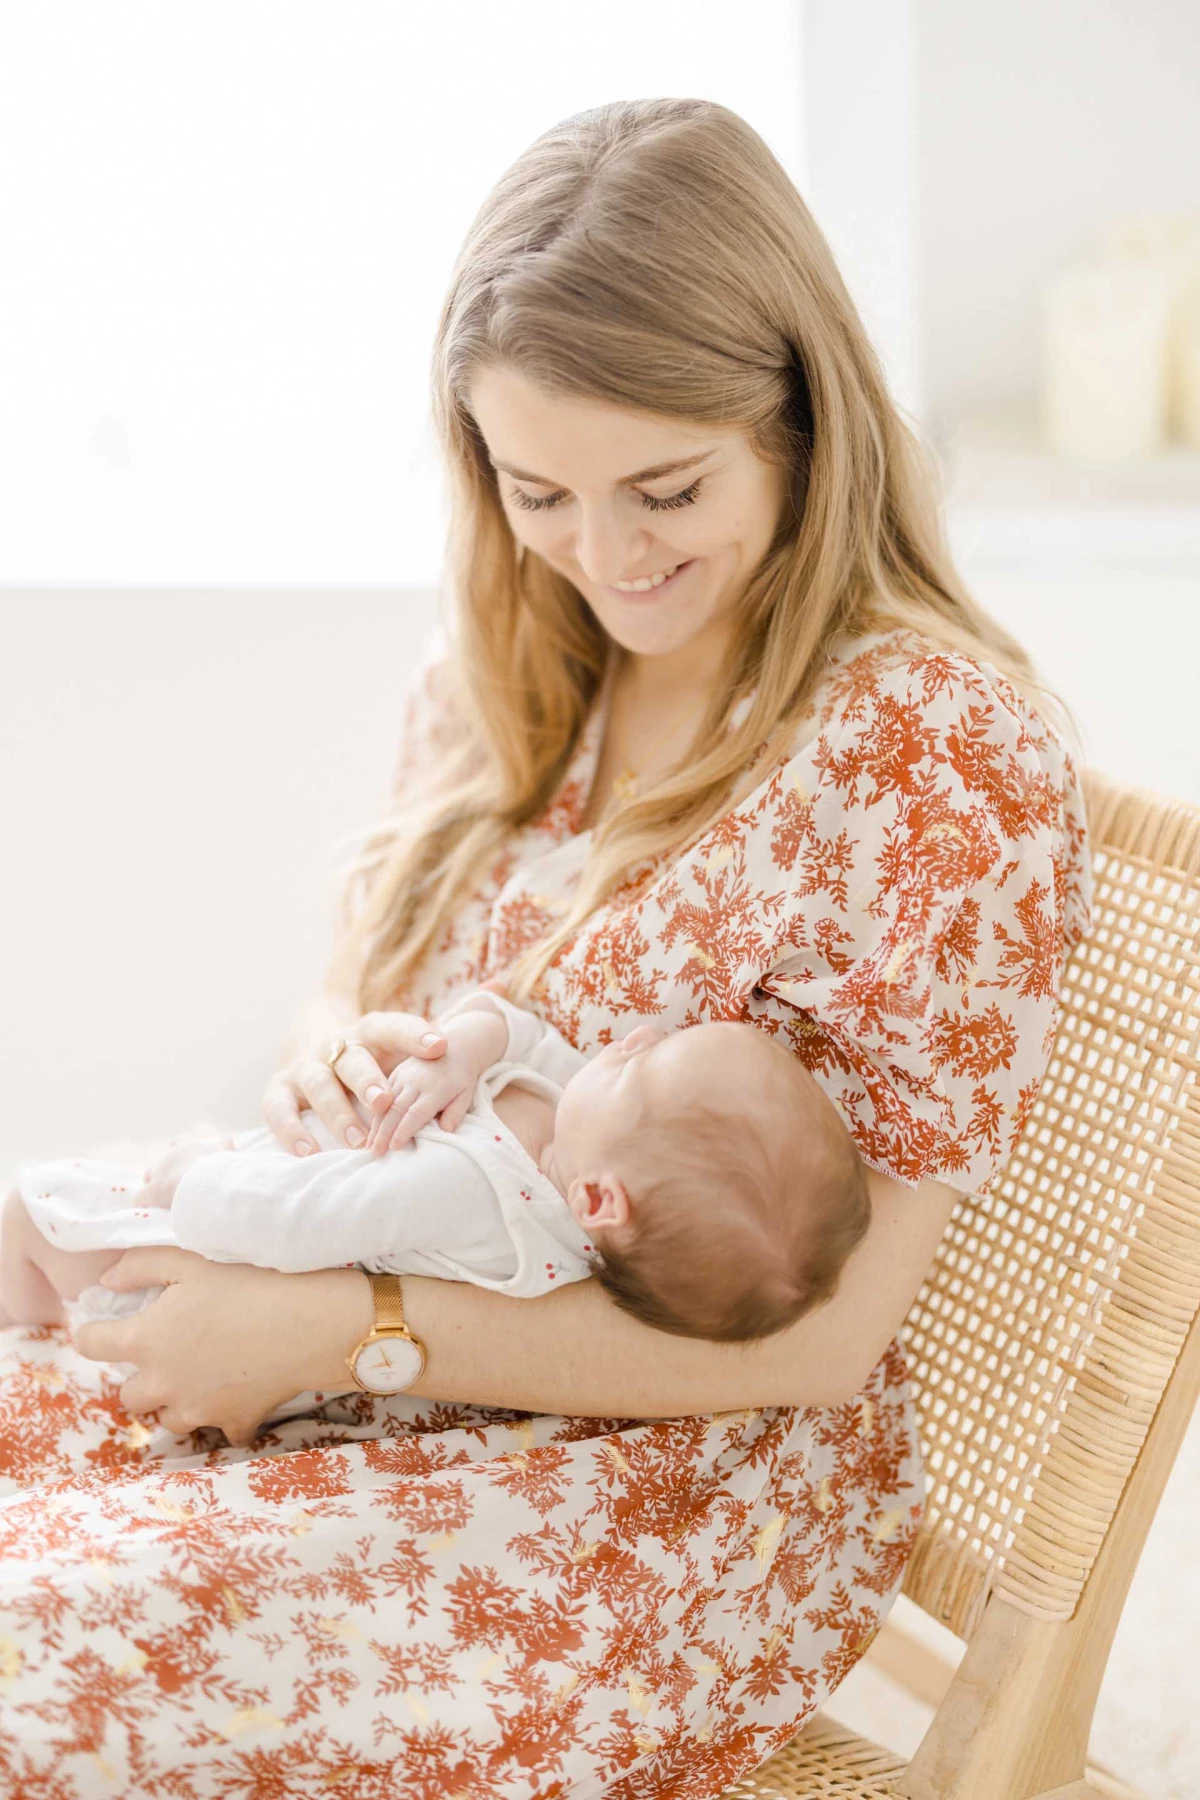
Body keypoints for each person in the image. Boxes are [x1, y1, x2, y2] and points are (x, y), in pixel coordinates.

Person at [0, 97, 1091, 1798]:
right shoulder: (524, 662)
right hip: (346, 1316)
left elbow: (821, 1343)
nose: (607, 555)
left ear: (805, 421)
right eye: (541, 492)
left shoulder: (928, 755)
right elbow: (360, 984)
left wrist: (344, 1329)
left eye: (667, 487)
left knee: (39, 1656)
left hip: (653, 1489)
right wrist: (330, 1049)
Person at [3, 993, 869, 1353]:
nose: (637, 1036)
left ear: (600, 1201)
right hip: (256, 1199)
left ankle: (38, 1341)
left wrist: (192, 1180)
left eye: (643, 1065)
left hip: (209, 1261)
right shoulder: (583, 1137)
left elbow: (305, 1221)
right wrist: (473, 1044)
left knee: (29, 1218)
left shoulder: (475, 1198)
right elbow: (522, 1034)